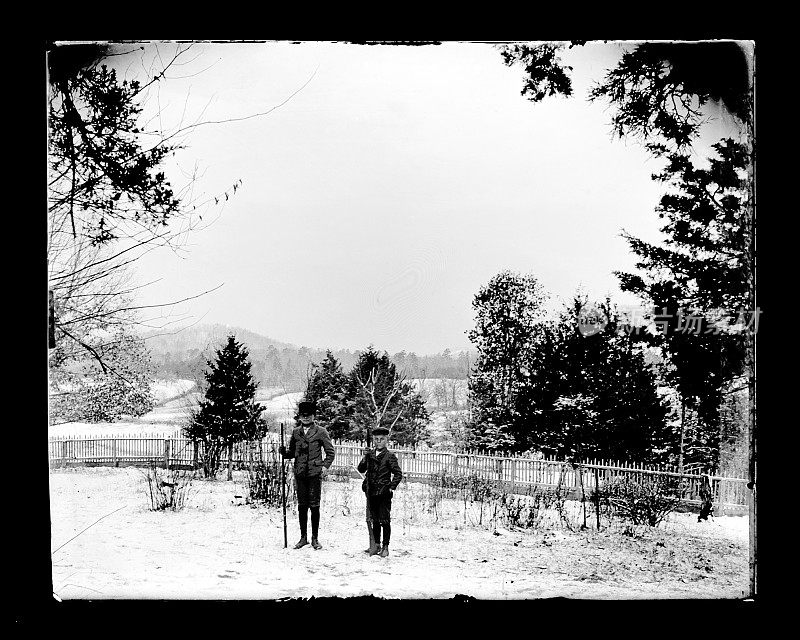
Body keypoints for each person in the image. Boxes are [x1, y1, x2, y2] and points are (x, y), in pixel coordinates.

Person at [279, 400, 335, 549]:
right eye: (303, 415)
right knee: (302, 506)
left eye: (308, 415)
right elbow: (292, 453)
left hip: (314, 474)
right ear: (300, 417)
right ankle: (303, 538)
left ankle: (315, 538)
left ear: (313, 416)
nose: (305, 418)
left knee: (314, 506)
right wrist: (284, 453)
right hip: (300, 473)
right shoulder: (296, 432)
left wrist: (324, 467)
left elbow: (330, 453)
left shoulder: (321, 431)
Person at [357, 427, 403, 557]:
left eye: (381, 439)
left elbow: (398, 474)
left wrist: (391, 487)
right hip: (371, 492)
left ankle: (385, 546)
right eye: (376, 439)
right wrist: (365, 457)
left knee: (384, 520)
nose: (379, 442)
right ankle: (376, 544)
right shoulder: (370, 454)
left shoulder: (390, 457)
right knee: (374, 520)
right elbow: (361, 469)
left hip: (383, 493)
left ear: (386, 440)